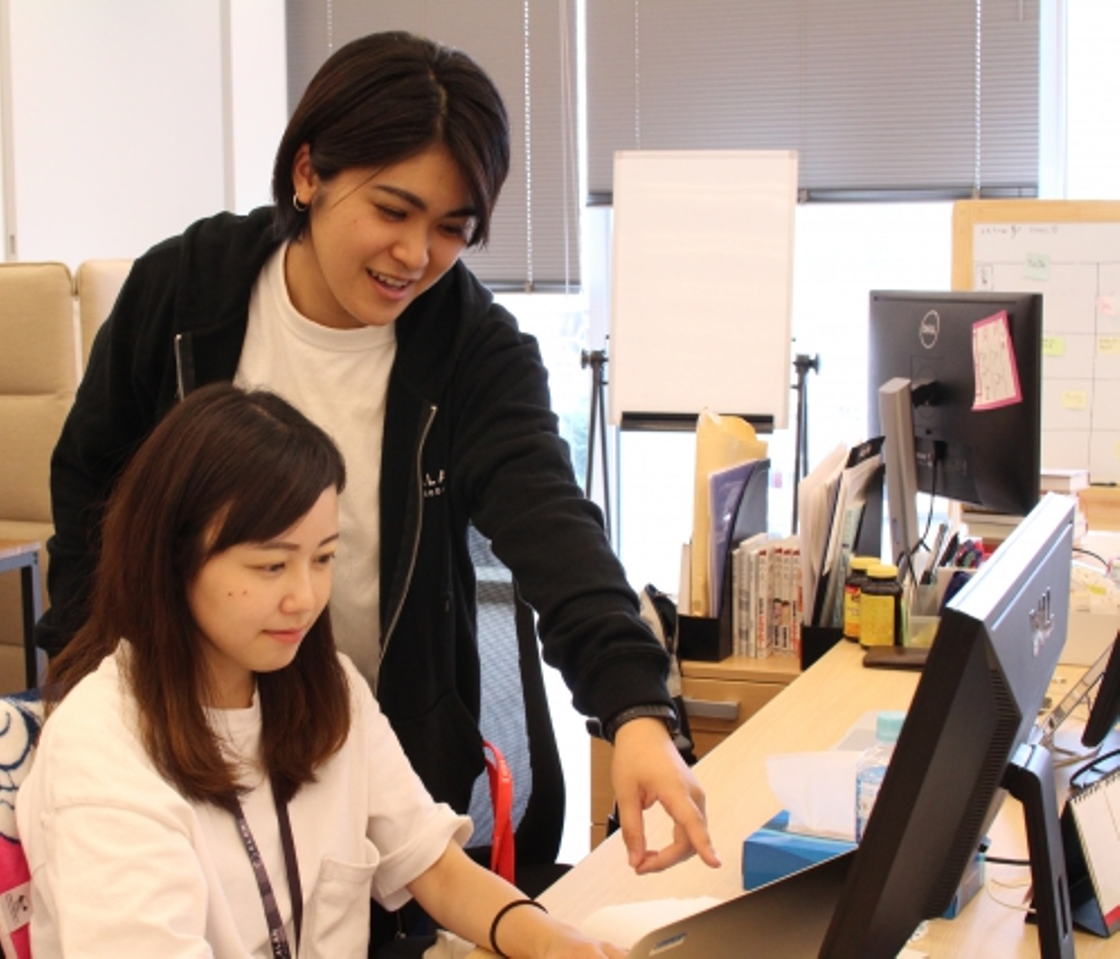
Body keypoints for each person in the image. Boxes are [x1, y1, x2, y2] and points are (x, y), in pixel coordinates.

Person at [39, 31, 718, 921]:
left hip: (364, 754)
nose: (415, 254)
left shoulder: (472, 352)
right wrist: (99, 691)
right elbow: (93, 501)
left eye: (452, 229)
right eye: (393, 210)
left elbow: (555, 530)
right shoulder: (184, 292)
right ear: (310, 172)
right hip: (175, 737)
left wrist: (635, 711)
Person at [17, 384, 625, 958]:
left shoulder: (326, 689)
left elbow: (432, 865)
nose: (305, 599)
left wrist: (553, 942)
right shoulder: (103, 748)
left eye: (323, 558)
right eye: (271, 566)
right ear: (173, 559)